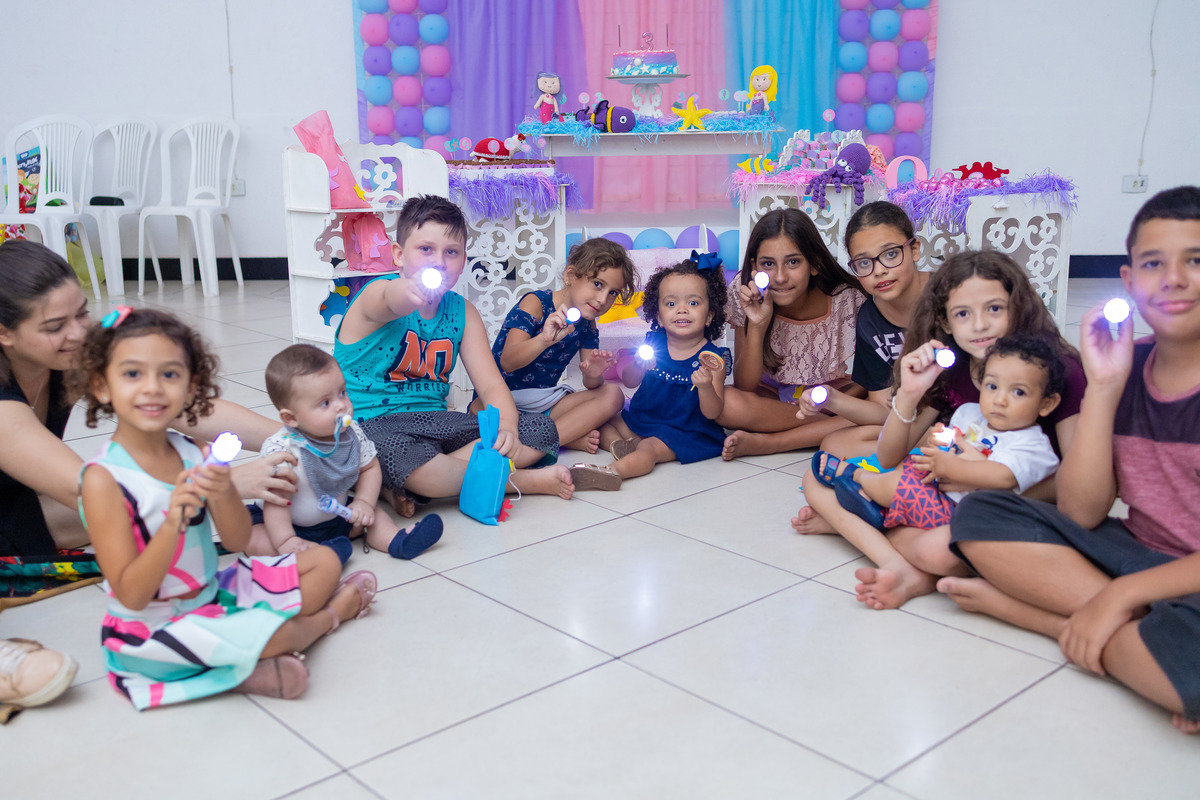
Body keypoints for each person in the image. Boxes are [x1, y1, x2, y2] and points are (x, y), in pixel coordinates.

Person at [943, 186, 1200, 734]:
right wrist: (1105, 387)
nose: (1174, 279)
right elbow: (1083, 512)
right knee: (982, 512)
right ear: (1129, 280)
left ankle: (1049, 618)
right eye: (1154, 263)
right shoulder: (1125, 363)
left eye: (1195, 261)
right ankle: (1140, 638)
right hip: (1135, 551)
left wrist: (1123, 595)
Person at [74, 308, 375, 707]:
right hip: (151, 630)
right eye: (133, 374)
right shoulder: (103, 480)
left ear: (191, 387)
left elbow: (236, 540)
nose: (153, 388)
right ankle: (330, 616)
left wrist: (222, 491)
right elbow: (131, 595)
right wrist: (173, 524)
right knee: (276, 633)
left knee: (323, 561)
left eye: (169, 374)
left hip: (212, 596)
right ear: (101, 386)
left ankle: (239, 662)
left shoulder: (192, 452)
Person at [802, 250, 1085, 610]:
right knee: (815, 477)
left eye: (994, 309)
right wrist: (908, 395)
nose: (979, 325)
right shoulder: (955, 366)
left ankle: (869, 531)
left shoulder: (1059, 369)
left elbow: (1074, 483)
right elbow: (888, 458)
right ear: (946, 322)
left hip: (1014, 502)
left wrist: (983, 481)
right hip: (947, 495)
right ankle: (895, 562)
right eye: (963, 313)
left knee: (940, 551)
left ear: (1018, 309)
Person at [0, 240, 299, 558]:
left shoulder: (65, 358)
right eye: (55, 326)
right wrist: (223, 483)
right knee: (127, 505)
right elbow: (90, 490)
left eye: (82, 314)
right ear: (4, 333)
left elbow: (187, 408)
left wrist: (298, 440)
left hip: (24, 501)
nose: (79, 333)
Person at [334, 195, 573, 510]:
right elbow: (389, 300)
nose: (439, 262)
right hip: (374, 425)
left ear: (463, 261)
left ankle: (413, 483)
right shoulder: (375, 294)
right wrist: (408, 293)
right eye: (425, 249)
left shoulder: (463, 312)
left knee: (538, 429)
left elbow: (491, 386)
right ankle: (515, 481)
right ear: (399, 255)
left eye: (451, 252)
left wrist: (507, 429)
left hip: (437, 424)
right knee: (400, 454)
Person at [827, 334, 1063, 576]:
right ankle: (871, 506)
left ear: (1046, 403)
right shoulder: (970, 413)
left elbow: (1003, 477)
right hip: (937, 488)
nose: (1000, 400)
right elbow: (950, 444)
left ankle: (857, 478)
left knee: (897, 485)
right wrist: (940, 441)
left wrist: (951, 467)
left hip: (961, 511)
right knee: (906, 467)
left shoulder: (1033, 445)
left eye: (1019, 392)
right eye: (992, 387)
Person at [790, 200, 929, 533]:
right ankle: (899, 478)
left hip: (965, 418)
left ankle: (890, 489)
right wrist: (830, 398)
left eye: (890, 255)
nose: (879, 270)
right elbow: (882, 409)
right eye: (864, 263)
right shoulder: (869, 319)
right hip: (913, 422)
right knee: (834, 445)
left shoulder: (952, 296)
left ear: (914, 249)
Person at [250, 344, 443, 564]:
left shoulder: (351, 435)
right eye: (325, 403)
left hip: (337, 515)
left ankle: (395, 540)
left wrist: (363, 502)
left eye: (342, 393)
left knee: (372, 514)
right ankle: (314, 555)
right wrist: (285, 539)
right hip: (286, 525)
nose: (341, 406)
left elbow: (370, 468)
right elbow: (276, 501)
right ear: (291, 418)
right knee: (257, 540)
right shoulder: (282, 450)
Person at [569, 255, 730, 490]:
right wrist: (637, 365)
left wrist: (705, 387)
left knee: (650, 448)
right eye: (671, 304)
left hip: (683, 430)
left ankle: (612, 472)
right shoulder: (654, 344)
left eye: (693, 303)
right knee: (601, 418)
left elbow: (714, 412)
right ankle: (621, 445)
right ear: (659, 317)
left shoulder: (712, 359)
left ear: (709, 315)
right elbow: (630, 381)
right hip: (643, 419)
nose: (682, 310)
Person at [718, 208, 866, 459]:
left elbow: (866, 381)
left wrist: (826, 403)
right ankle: (824, 430)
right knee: (726, 402)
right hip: (772, 395)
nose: (780, 277)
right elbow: (745, 385)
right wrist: (758, 324)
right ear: (754, 267)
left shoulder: (847, 298)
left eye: (793, 262)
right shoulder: (744, 290)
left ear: (815, 264)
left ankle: (774, 442)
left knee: (883, 404)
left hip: (831, 395)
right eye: (768, 264)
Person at [469, 237, 633, 454]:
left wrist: (593, 373)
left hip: (544, 402)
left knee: (613, 395)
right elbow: (508, 361)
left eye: (612, 292)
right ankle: (551, 443)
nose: (603, 299)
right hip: (503, 399)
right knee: (481, 410)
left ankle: (550, 436)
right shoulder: (536, 303)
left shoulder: (588, 322)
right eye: (597, 284)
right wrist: (543, 340)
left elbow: (591, 383)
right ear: (570, 275)